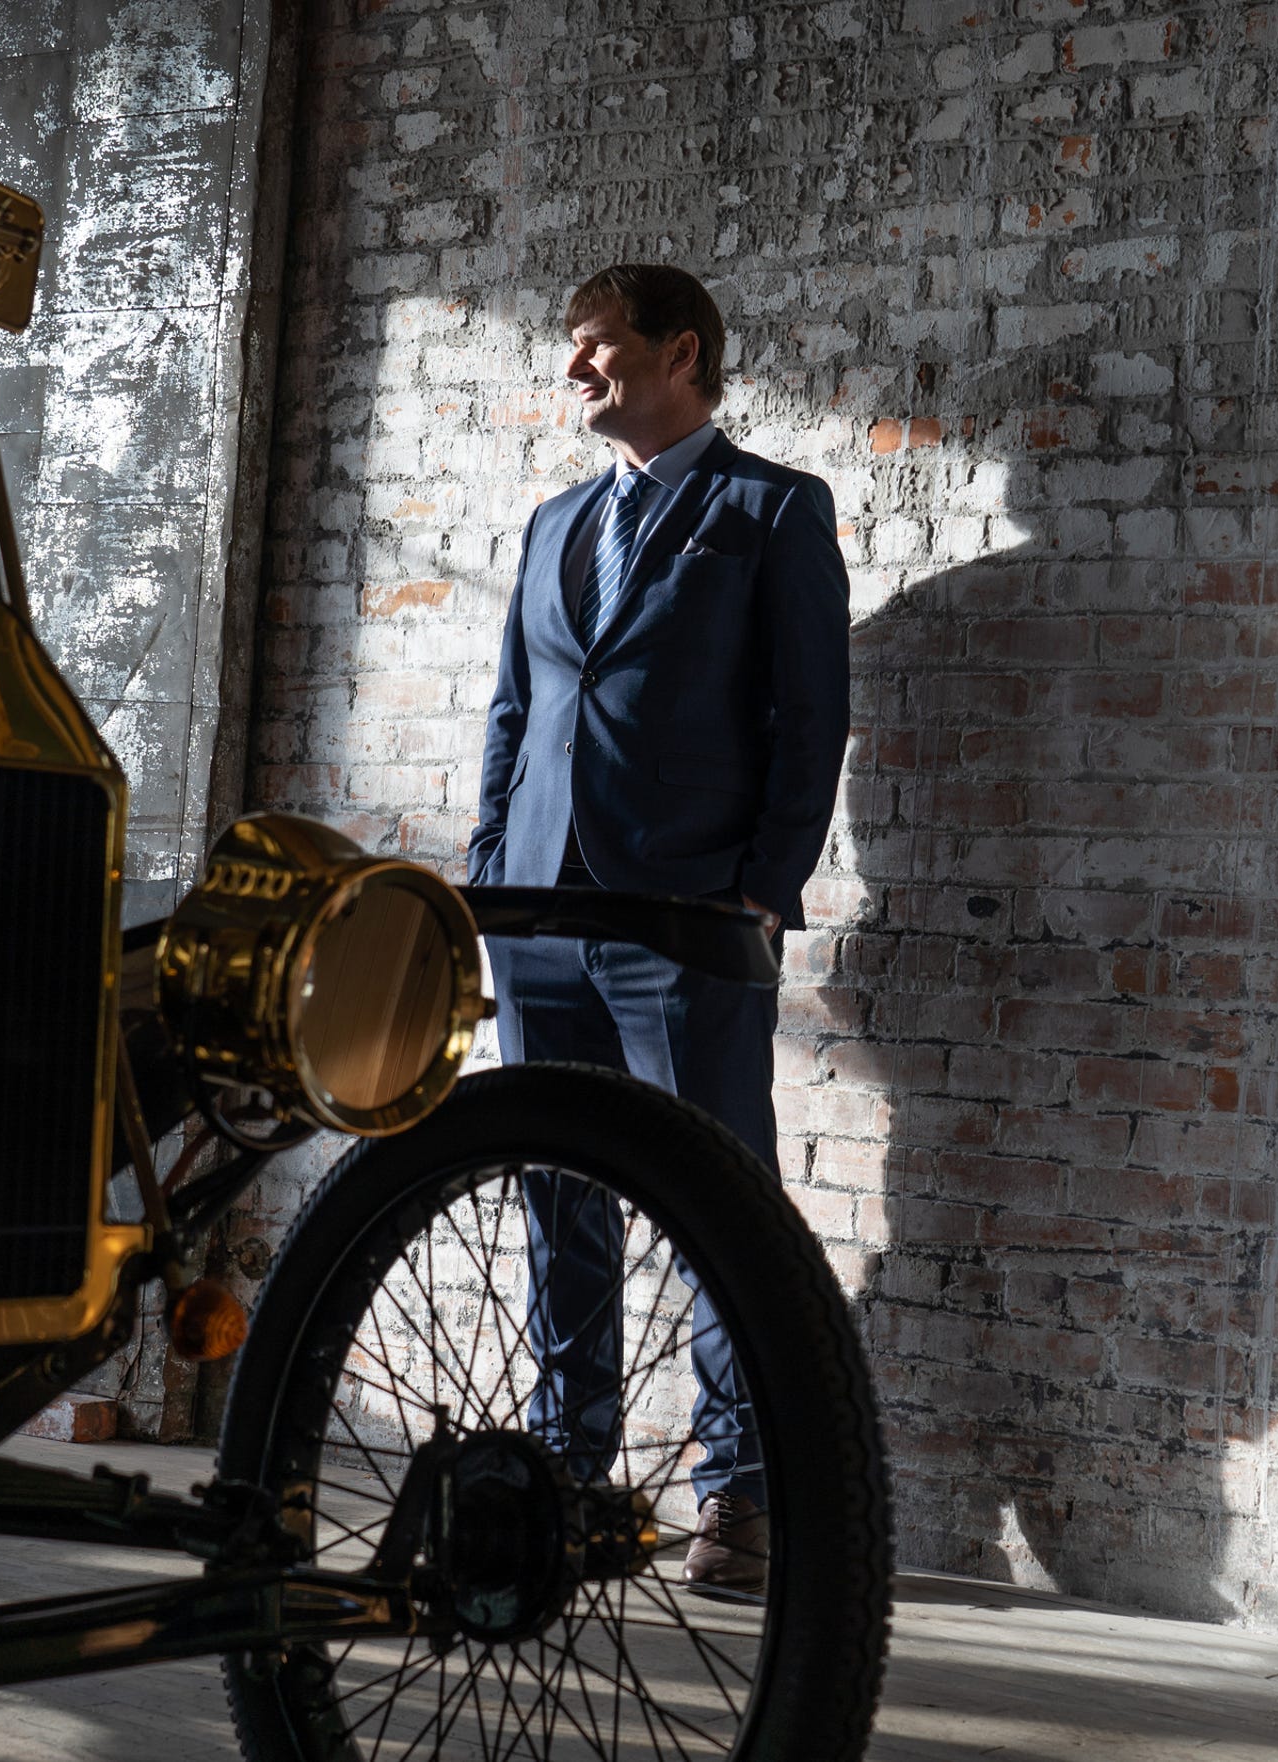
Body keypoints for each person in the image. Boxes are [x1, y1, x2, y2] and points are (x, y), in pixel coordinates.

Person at [465, 263, 852, 1594]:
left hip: (683, 920)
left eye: (597, 348)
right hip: (536, 915)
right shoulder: (553, 521)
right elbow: (513, 721)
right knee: (553, 1201)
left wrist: (763, 883)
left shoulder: (771, 511)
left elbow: (813, 717)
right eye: (570, 350)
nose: (575, 371)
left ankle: (735, 1493)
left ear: (678, 352)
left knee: (714, 1210)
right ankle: (568, 1478)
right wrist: (482, 889)